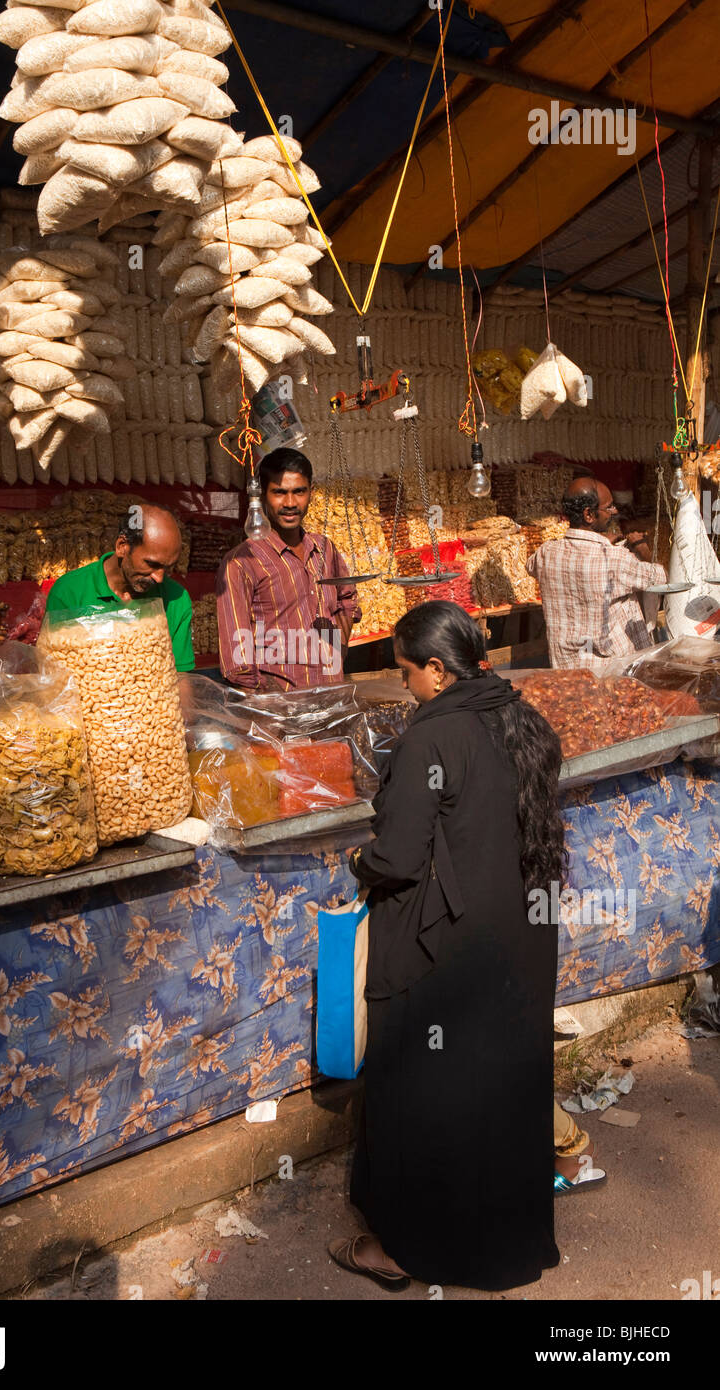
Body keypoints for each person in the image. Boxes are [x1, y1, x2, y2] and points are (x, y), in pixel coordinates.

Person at [329, 600, 567, 1292]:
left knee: (426, 1091)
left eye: (406, 674)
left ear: (437, 669)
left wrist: (358, 865)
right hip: (520, 940)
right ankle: (508, 1244)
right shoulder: (524, 718)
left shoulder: (431, 739)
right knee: (501, 1089)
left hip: (447, 949)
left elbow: (400, 856)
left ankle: (407, 1251)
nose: (405, 687)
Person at [215, 447, 361, 691]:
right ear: (263, 495)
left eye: (299, 492)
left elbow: (347, 599)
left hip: (331, 695)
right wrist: (267, 708)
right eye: (280, 493)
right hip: (281, 708)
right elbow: (236, 658)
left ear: (311, 493)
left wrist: (339, 648)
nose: (290, 503)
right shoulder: (241, 562)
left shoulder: (325, 549)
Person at [526, 477, 666, 668]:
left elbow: (530, 566)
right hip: (612, 672)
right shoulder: (614, 559)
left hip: (567, 671)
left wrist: (600, 542)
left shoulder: (545, 553)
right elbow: (662, 578)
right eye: (608, 508)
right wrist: (642, 548)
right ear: (589, 515)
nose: (614, 511)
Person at [45, 503, 194, 671]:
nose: (159, 578)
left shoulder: (176, 599)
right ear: (122, 546)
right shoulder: (69, 592)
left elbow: (182, 678)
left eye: (168, 567)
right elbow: (54, 675)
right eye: (152, 564)